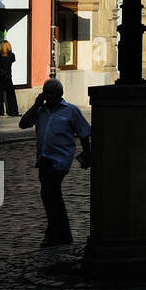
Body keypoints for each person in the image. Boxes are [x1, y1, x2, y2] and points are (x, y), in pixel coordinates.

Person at [18, 78, 92, 247]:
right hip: (43, 159)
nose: (48, 95)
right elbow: (23, 124)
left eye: (51, 92)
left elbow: (84, 133)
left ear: (60, 94)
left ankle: (52, 233)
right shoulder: (40, 111)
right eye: (46, 92)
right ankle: (63, 234)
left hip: (60, 161)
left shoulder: (71, 111)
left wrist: (87, 155)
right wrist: (36, 104)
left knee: (49, 193)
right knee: (52, 197)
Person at [0, 40, 19, 117]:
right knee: (11, 95)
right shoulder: (12, 55)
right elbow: (12, 61)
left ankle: (0, 112)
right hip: (8, 77)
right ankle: (13, 111)